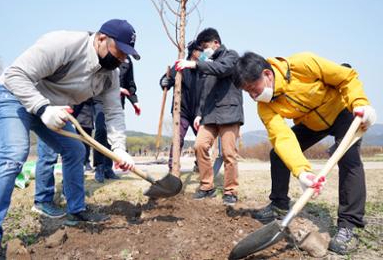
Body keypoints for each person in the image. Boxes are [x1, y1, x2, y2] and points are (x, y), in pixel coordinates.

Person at [0, 19, 139, 259]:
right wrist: (42, 109)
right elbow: (16, 75)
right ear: (100, 38)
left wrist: (120, 149)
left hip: (50, 106)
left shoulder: (111, 74)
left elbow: (113, 113)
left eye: (126, 56)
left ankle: (76, 211)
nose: (121, 59)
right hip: (13, 94)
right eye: (119, 51)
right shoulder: (63, 43)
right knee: (14, 154)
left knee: (75, 150)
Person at [234, 51, 377, 254]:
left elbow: (347, 76)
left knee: (348, 157)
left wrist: (360, 103)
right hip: (312, 123)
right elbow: (282, 137)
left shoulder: (303, 64)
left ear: (267, 74)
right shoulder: (265, 106)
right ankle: (279, 203)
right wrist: (302, 172)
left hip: (341, 111)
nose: (253, 96)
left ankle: (349, 225)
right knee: (278, 154)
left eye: (252, 88)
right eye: (247, 92)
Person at [175, 28, 244, 206]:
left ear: (216, 43)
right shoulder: (208, 63)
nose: (204, 50)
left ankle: (230, 190)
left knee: (229, 154)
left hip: (229, 113)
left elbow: (222, 69)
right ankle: (207, 186)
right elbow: (204, 91)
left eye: (206, 46)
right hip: (209, 114)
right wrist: (199, 113)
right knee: (199, 146)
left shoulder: (231, 56)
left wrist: (195, 64)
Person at [93, 55, 141, 183]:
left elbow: (130, 83)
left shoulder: (128, 60)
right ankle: (99, 166)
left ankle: (108, 168)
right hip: (100, 98)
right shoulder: (105, 54)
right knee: (101, 130)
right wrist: (117, 88)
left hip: (117, 102)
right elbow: (97, 78)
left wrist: (134, 102)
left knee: (113, 133)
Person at [159, 40, 203, 173]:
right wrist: (164, 82)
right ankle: (173, 166)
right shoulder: (180, 65)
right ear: (193, 52)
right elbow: (166, 79)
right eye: (200, 50)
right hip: (181, 110)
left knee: (202, 140)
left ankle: (200, 164)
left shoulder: (203, 67)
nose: (202, 53)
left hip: (198, 112)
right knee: (178, 138)